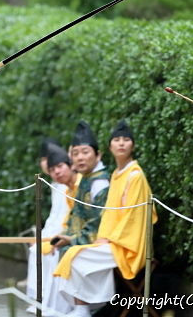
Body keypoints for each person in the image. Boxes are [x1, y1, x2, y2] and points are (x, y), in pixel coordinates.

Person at [53, 119, 158, 317]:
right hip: (113, 239)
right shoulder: (118, 174)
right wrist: (103, 236)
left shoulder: (135, 175)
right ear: (109, 146)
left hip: (129, 244)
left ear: (132, 145)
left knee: (75, 255)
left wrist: (110, 238)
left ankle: (87, 308)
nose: (121, 143)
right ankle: (82, 308)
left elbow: (133, 218)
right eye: (116, 140)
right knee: (73, 253)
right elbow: (109, 213)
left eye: (126, 140)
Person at [45, 121, 110, 315]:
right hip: (89, 236)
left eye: (85, 152)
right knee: (60, 247)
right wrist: (65, 236)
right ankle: (72, 307)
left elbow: (98, 223)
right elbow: (76, 216)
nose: (80, 158)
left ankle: (83, 308)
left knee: (73, 251)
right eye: (76, 154)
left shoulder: (100, 182)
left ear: (98, 155)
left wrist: (72, 239)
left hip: (104, 239)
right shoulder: (86, 179)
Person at [26, 140, 81, 314]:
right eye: (46, 161)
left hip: (72, 235)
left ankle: (68, 306)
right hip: (62, 232)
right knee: (37, 250)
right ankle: (41, 299)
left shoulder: (78, 184)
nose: (54, 170)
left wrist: (59, 236)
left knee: (56, 251)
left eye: (58, 165)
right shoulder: (59, 183)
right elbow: (56, 217)